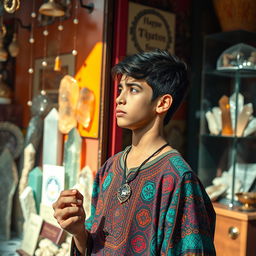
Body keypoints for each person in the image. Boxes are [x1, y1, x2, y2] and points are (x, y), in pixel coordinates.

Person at [53, 49, 216, 255]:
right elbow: (92, 247)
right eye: (120, 89)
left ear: (162, 103)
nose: (119, 99)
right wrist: (78, 232)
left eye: (133, 90)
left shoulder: (177, 178)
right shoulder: (109, 168)